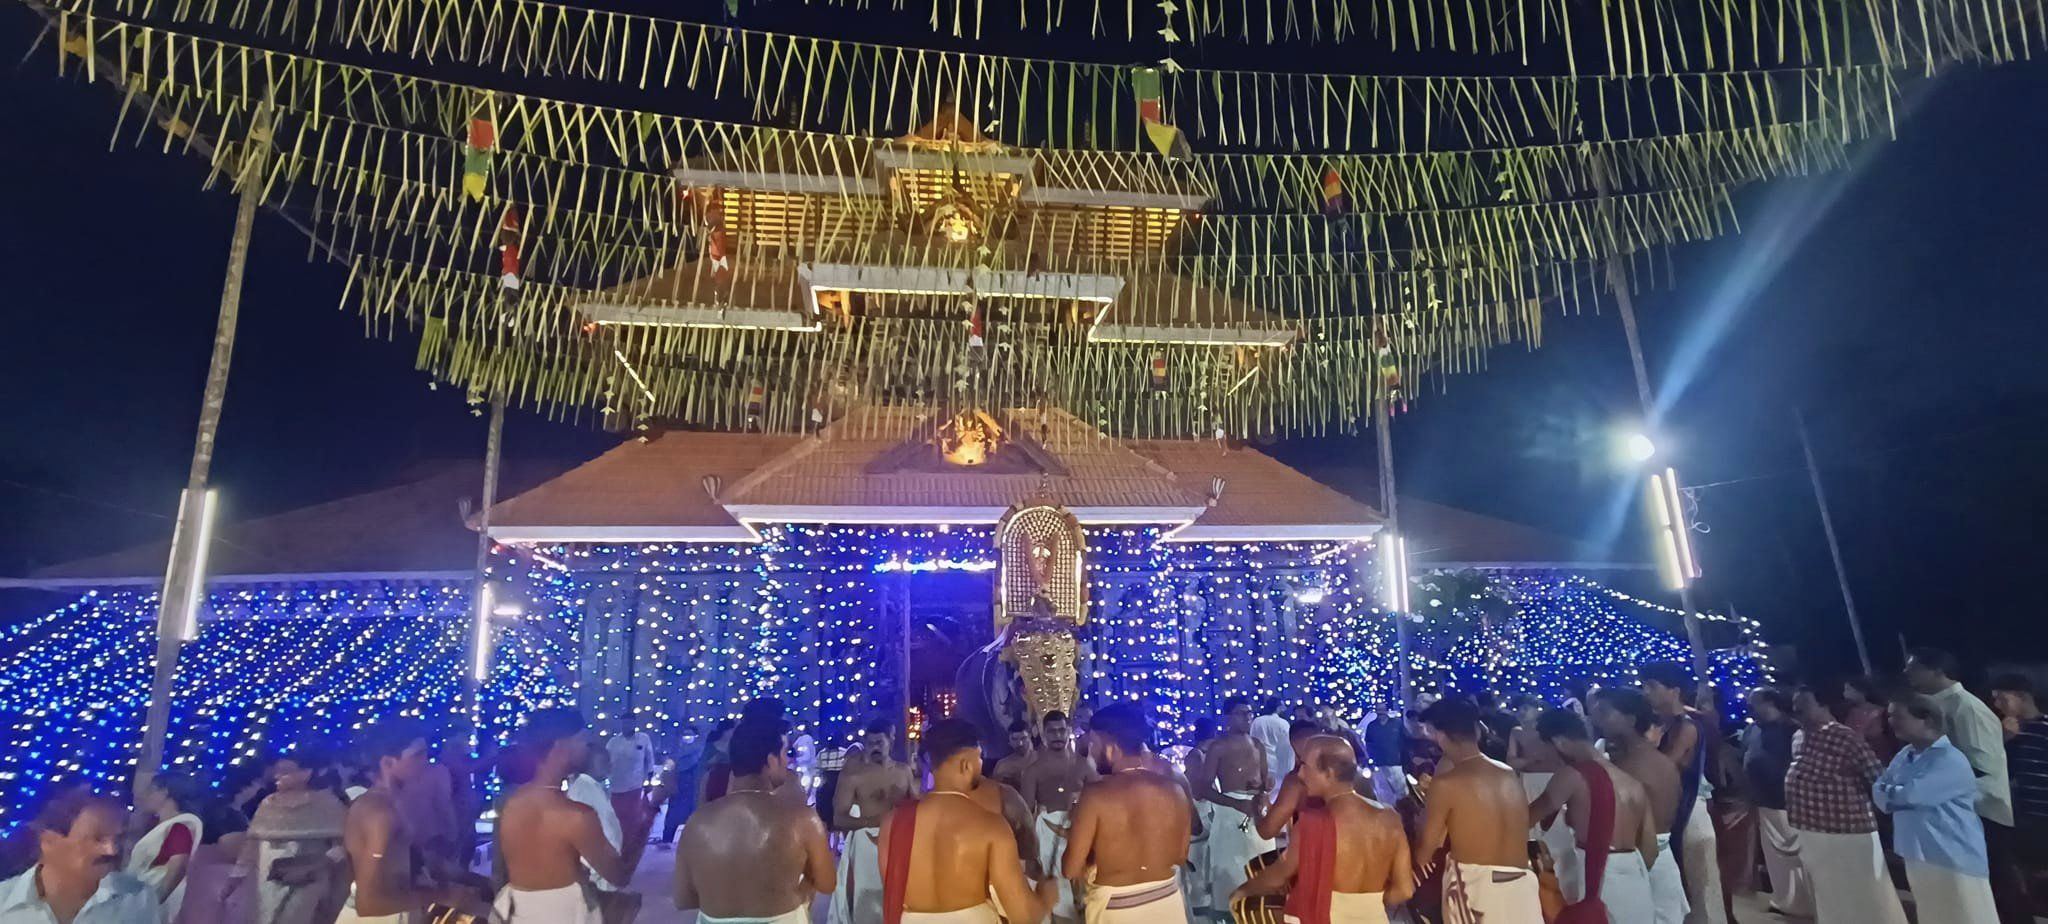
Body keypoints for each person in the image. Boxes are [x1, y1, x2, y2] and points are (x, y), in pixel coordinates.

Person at [876, 718, 1056, 924]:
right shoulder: (991, 826)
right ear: (966, 764)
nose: (981, 764)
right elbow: (1023, 916)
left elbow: (891, 887)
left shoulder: (893, 822)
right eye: (979, 757)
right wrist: (1045, 898)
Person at [1235, 736, 1411, 924]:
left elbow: (1279, 875)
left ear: (1329, 773)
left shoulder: (1313, 822)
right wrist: (1365, 907)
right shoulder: (1390, 818)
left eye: (1305, 766)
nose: (1301, 774)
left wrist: (1241, 892)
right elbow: (1404, 890)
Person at [677, 718, 836, 924]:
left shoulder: (697, 822)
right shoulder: (802, 819)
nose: (788, 762)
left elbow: (683, 899)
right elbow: (827, 883)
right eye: (785, 754)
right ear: (771, 760)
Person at [1909, 650, 2024, 924]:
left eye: (1913, 668)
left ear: (1937, 670)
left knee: (1998, 888)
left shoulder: (1966, 707)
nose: (1907, 674)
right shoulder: (1937, 706)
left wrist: (1936, 788)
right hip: (1958, 811)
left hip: (1982, 811)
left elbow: (1982, 766)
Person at [494, 708, 630, 923]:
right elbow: (621, 875)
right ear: (561, 746)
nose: (588, 747)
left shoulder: (512, 803)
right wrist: (650, 810)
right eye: (583, 740)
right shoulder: (575, 816)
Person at [338, 717, 480, 923]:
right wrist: (443, 896)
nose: (425, 761)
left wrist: (470, 881)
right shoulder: (379, 813)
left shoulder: (392, 804)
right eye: (417, 755)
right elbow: (368, 903)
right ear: (388, 762)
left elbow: (410, 862)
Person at [1061, 702, 1193, 923]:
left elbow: (1071, 868)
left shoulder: (1096, 795)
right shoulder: (1174, 790)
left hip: (1118, 908)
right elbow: (1180, 856)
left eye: (1094, 743)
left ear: (1111, 747)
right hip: (1167, 901)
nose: (1090, 752)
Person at [1413, 697, 1541, 924]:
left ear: (1438, 735)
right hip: (1522, 886)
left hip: (1477, 892)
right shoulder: (1507, 773)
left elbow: (1425, 852)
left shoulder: (1447, 784)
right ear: (1476, 731)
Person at [1785, 686, 1906, 924]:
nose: (1796, 710)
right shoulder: (1799, 736)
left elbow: (1875, 776)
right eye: (1795, 705)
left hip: (1847, 829)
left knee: (1863, 889)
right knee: (1827, 889)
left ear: (1824, 706)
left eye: (1804, 704)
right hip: (1810, 827)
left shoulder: (1844, 736)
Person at [1875, 694, 1999, 924]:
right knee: (1933, 915)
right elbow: (1878, 791)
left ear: (1927, 720)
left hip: (1951, 855)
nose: (1891, 722)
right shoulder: (1905, 755)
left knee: (1966, 915)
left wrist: (1893, 792)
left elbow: (1913, 795)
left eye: (1899, 716)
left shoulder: (1950, 760)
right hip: (1915, 851)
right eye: (1890, 716)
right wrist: (1895, 793)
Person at [1527, 710, 1658, 924]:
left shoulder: (1573, 775)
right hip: (1636, 875)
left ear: (1558, 742)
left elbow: (1527, 818)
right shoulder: (1632, 784)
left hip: (1597, 874)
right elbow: (1650, 849)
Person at [1588, 689, 1685, 924]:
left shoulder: (1634, 766)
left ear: (1630, 720)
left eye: (1604, 712)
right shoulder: (1640, 759)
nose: (1596, 718)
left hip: (1644, 859)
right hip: (1657, 858)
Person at [1639, 664, 1725, 924]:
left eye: (1652, 686)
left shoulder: (1687, 726)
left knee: (1700, 888)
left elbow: (1663, 769)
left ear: (1674, 690)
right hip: (1671, 813)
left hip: (1689, 815)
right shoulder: (1659, 724)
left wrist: (1648, 747)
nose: (1646, 692)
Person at [0, 790, 158, 923]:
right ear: (49, 842)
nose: (112, 850)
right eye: (97, 839)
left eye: (118, 838)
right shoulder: (4, 904)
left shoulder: (138, 898)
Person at [245, 749, 350, 924]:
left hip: (308, 878)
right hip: (267, 880)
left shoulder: (326, 803)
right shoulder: (268, 803)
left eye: (285, 771)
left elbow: (342, 845)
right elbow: (252, 842)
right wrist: (237, 875)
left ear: (306, 773)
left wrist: (319, 865)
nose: (278, 776)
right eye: (277, 771)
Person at [1734, 686, 1812, 917]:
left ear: (1770, 702)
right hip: (1762, 800)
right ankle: (1785, 901)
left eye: (1754, 702)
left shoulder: (1792, 728)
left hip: (1790, 802)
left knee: (1799, 856)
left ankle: (1807, 903)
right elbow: (1744, 755)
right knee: (1775, 858)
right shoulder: (1752, 729)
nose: (1750, 707)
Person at [833, 718, 917, 924]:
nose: (875, 748)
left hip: (900, 842)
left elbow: (916, 806)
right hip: (868, 845)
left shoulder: (903, 771)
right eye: (870, 744)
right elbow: (839, 817)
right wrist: (873, 821)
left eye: (880, 743)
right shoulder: (853, 776)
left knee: (902, 900)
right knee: (869, 904)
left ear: (891, 740)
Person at [1194, 698, 1274, 913]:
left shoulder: (1257, 745)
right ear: (1227, 717)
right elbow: (1204, 788)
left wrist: (1266, 785)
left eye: (1249, 713)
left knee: (1261, 862)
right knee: (1232, 866)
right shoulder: (1219, 747)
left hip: (1257, 812)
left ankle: (1261, 909)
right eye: (1241, 713)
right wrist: (1235, 803)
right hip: (1231, 813)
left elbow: (1267, 780)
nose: (1247, 717)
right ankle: (1230, 911)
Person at [1020, 711, 1099, 924]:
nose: (1058, 735)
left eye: (1062, 730)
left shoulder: (1083, 765)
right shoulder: (1033, 771)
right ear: (1043, 734)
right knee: (1057, 896)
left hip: (1081, 832)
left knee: (1086, 894)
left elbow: (1100, 800)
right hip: (1048, 835)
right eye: (1052, 731)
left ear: (1069, 731)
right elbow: (1026, 813)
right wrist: (1029, 857)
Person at [1989, 673, 2048, 914]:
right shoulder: (2003, 732)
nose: (1997, 706)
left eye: (2002, 699)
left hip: (2043, 812)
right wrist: (2003, 739)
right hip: (2021, 814)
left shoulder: (2044, 728)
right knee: (2028, 876)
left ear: (2022, 697)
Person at [127, 772, 204, 917]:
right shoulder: (159, 826)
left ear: (164, 793)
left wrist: (155, 901)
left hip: (157, 905)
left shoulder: (180, 826)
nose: (146, 796)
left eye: (151, 790)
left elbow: (178, 866)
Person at [1256, 720, 1329, 840]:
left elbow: (1268, 830)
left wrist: (1258, 806)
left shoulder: (1296, 781)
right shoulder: (1344, 773)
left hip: (1309, 853)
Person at [602, 719, 658, 870]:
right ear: (621, 724)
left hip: (635, 787)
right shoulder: (613, 742)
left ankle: (629, 853)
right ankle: (616, 851)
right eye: (625, 723)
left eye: (631, 723)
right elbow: (605, 762)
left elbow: (650, 762)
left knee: (632, 821)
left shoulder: (643, 739)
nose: (628, 726)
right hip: (616, 787)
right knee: (615, 820)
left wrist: (649, 782)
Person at [658, 722, 709, 850]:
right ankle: (666, 842)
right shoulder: (676, 753)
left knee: (694, 819)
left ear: (695, 736)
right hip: (678, 790)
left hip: (693, 790)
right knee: (672, 819)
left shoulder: (700, 752)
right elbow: (668, 769)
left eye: (690, 734)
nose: (687, 737)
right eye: (685, 734)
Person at [1507, 696, 1563, 802]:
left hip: (1555, 779)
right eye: (1517, 710)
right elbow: (1511, 761)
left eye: (1525, 708)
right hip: (1529, 780)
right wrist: (1531, 760)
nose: (1521, 712)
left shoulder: (1552, 730)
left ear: (1537, 709)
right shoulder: (1516, 732)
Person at [1361, 702, 1407, 806]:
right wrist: (1370, 761)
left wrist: (1405, 760)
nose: (1381, 712)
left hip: (1395, 762)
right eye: (1378, 709)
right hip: (1379, 765)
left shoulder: (1397, 723)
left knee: (1402, 791)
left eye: (1383, 709)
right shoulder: (1371, 726)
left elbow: (1404, 741)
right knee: (1383, 794)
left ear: (1387, 710)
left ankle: (1404, 813)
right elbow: (1368, 744)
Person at [1842, 677, 1899, 761]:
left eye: (1848, 689)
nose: (1845, 694)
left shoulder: (1882, 712)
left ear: (1861, 691)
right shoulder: (1849, 713)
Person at [1251, 699, 1295, 797]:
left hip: (1258, 763)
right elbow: (1286, 748)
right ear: (1278, 707)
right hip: (1277, 765)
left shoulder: (1257, 721)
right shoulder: (1282, 723)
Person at [993, 721, 1039, 790]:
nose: (1020, 743)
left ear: (1029, 736)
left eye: (1023, 738)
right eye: (1014, 739)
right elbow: (995, 791)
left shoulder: (1042, 758)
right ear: (1009, 741)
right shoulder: (1003, 765)